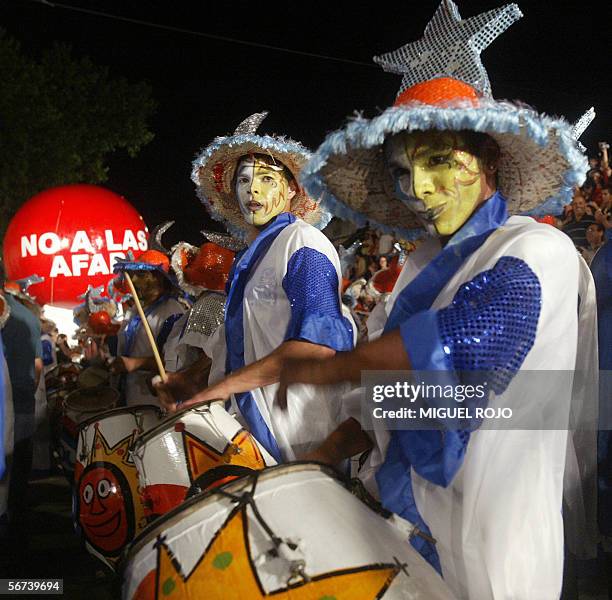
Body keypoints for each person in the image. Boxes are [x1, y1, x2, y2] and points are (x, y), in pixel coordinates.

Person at [285, 2, 597, 598]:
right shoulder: (417, 270)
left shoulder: (537, 250)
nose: (419, 189)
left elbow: (473, 344)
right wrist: (320, 457)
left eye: (438, 162)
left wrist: (332, 365)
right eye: (404, 170)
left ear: (489, 161)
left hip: (486, 546)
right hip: (400, 535)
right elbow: (388, 405)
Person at [155, 111, 354, 463]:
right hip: (249, 429)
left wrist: (217, 389)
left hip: (297, 434)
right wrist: (193, 379)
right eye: (243, 181)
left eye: (266, 178)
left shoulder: (303, 243)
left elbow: (317, 346)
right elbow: (248, 340)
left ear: (293, 188)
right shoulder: (255, 255)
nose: (254, 189)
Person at [111, 242, 187, 407]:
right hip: (130, 400)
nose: (134, 280)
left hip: (155, 404)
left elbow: (175, 363)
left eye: (141, 274)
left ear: (158, 278)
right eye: (133, 274)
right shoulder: (133, 311)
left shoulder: (172, 312)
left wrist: (135, 363)